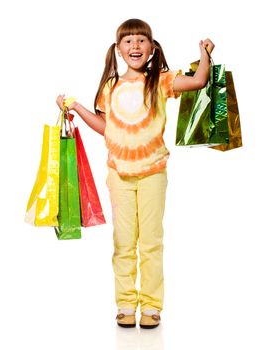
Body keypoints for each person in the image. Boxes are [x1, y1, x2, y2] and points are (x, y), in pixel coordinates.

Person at [56, 18, 214, 329]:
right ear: (118, 49)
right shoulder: (110, 87)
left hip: (153, 172)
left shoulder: (161, 81)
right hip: (119, 174)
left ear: (152, 48)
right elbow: (106, 128)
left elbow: (198, 82)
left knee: (151, 242)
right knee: (124, 242)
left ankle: (152, 306)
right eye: (128, 41)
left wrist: (205, 52)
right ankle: (126, 304)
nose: (135, 46)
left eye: (141, 40)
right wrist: (75, 108)